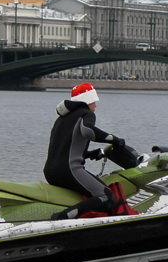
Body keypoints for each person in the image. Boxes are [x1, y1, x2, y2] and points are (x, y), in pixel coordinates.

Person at [44, 82, 126, 220]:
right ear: (88, 99)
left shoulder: (61, 119)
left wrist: (88, 154)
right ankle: (62, 217)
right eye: (94, 100)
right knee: (107, 196)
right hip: (69, 170)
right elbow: (88, 131)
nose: (96, 105)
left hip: (51, 172)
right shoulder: (86, 113)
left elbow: (64, 148)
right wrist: (114, 139)